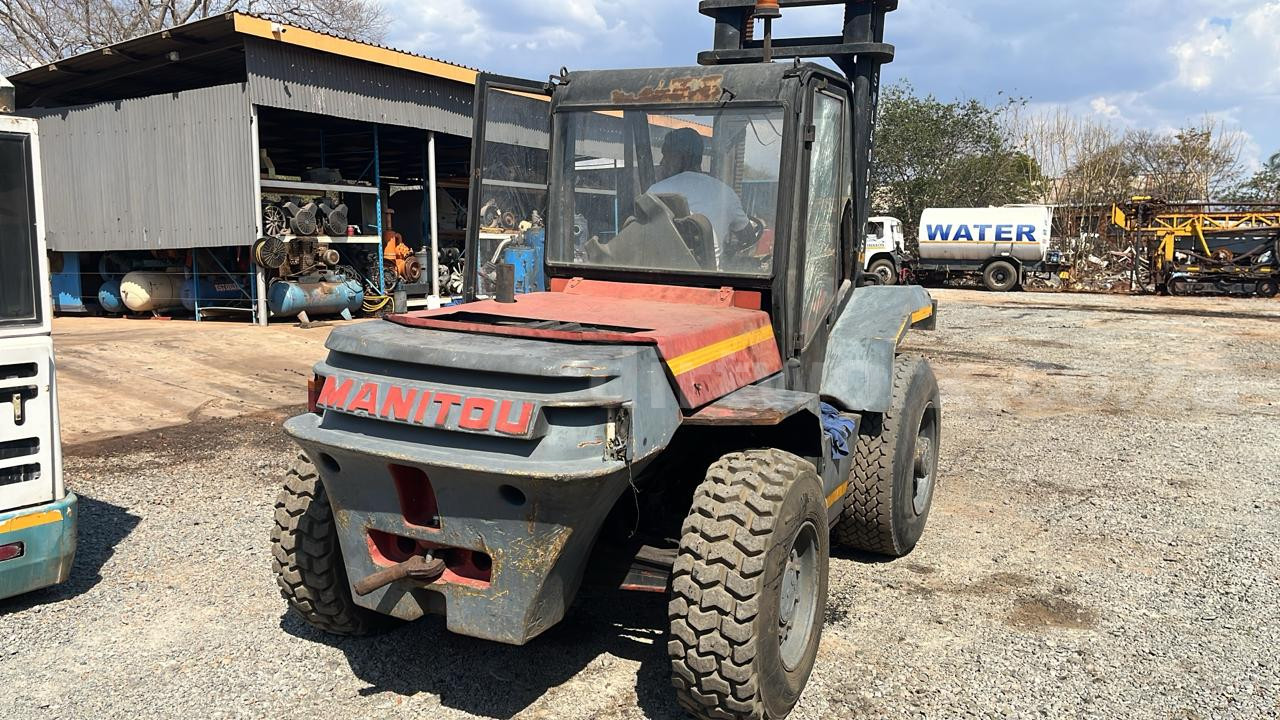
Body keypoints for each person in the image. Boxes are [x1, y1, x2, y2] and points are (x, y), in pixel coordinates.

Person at [648, 128, 753, 268]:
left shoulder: (654, 192)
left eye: (666, 156)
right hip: (710, 282)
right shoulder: (725, 193)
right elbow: (748, 237)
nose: (662, 162)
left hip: (662, 281)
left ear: (681, 156)